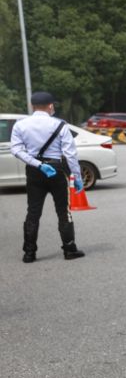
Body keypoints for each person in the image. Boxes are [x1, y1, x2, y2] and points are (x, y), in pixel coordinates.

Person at [10, 92, 85, 263]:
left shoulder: (20, 125)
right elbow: (70, 154)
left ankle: (29, 253)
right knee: (63, 212)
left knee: (33, 212)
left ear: (32, 106)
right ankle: (69, 249)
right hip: (57, 170)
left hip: (35, 171)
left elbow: (16, 150)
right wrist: (77, 176)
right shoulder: (60, 125)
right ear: (50, 106)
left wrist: (37, 164)